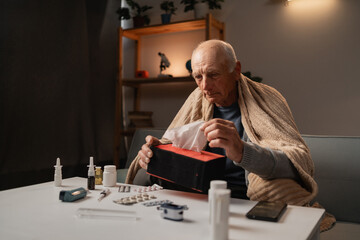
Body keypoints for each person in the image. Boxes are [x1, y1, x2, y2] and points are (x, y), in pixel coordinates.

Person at [126, 40, 318, 205]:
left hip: (245, 193)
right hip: (199, 188)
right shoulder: (196, 99)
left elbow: (297, 163)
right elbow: (175, 148)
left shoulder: (268, 99)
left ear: (236, 70)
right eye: (198, 77)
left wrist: (243, 152)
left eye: (214, 75)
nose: (205, 86)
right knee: (144, 174)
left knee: (276, 190)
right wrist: (158, 153)